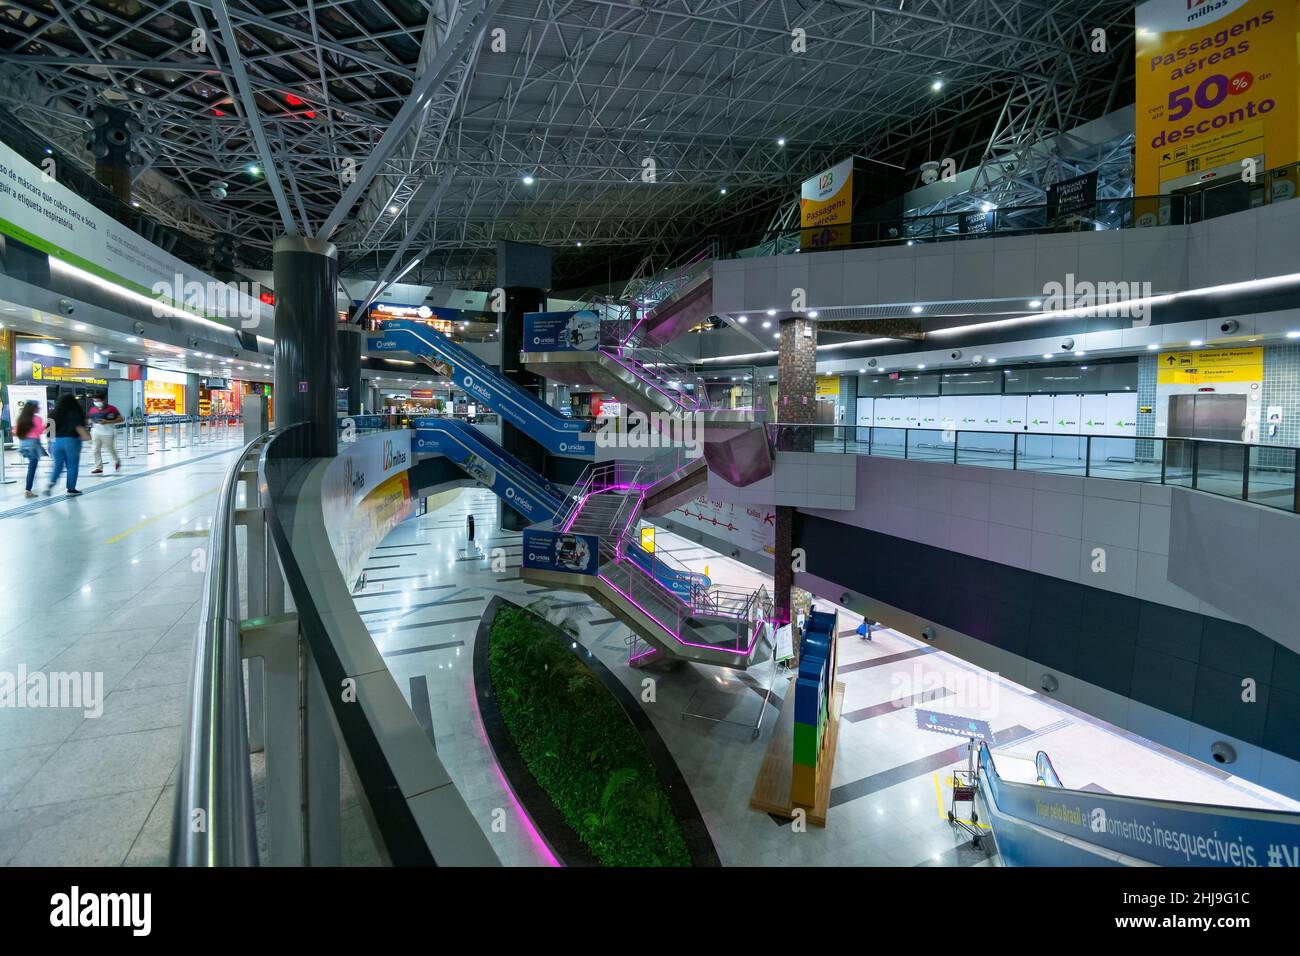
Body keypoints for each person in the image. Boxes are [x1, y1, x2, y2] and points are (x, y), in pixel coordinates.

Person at [46, 394, 89, 497]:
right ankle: (71, 489)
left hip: (55, 442)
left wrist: (50, 446)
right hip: (71, 441)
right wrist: (87, 436)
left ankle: (51, 482)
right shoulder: (75, 413)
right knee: (72, 466)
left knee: (57, 465)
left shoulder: (52, 414)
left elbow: (49, 433)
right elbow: (80, 429)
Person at [15, 400, 46, 498]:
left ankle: (28, 489)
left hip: (23, 444)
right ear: (34, 408)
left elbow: (16, 431)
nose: (39, 408)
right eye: (37, 406)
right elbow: (40, 431)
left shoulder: (20, 418)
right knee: (32, 467)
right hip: (33, 444)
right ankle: (28, 490)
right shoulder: (37, 418)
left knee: (31, 466)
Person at [87, 394, 124, 474]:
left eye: (97, 401)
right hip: (95, 432)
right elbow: (89, 419)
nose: (96, 402)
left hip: (108, 432)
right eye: (94, 401)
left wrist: (108, 422)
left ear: (103, 400)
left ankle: (117, 461)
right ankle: (98, 467)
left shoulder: (112, 409)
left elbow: (121, 419)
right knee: (95, 450)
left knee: (110, 449)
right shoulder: (92, 409)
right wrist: (90, 421)